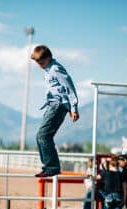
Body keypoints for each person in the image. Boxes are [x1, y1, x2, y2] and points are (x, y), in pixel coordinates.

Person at [31, 45, 79, 177]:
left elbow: (69, 86)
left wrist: (73, 107)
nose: (39, 65)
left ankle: (52, 167)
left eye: (41, 62)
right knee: (41, 136)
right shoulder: (48, 69)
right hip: (52, 104)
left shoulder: (55, 69)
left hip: (57, 105)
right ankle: (48, 166)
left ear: (48, 58)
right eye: (37, 63)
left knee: (43, 135)